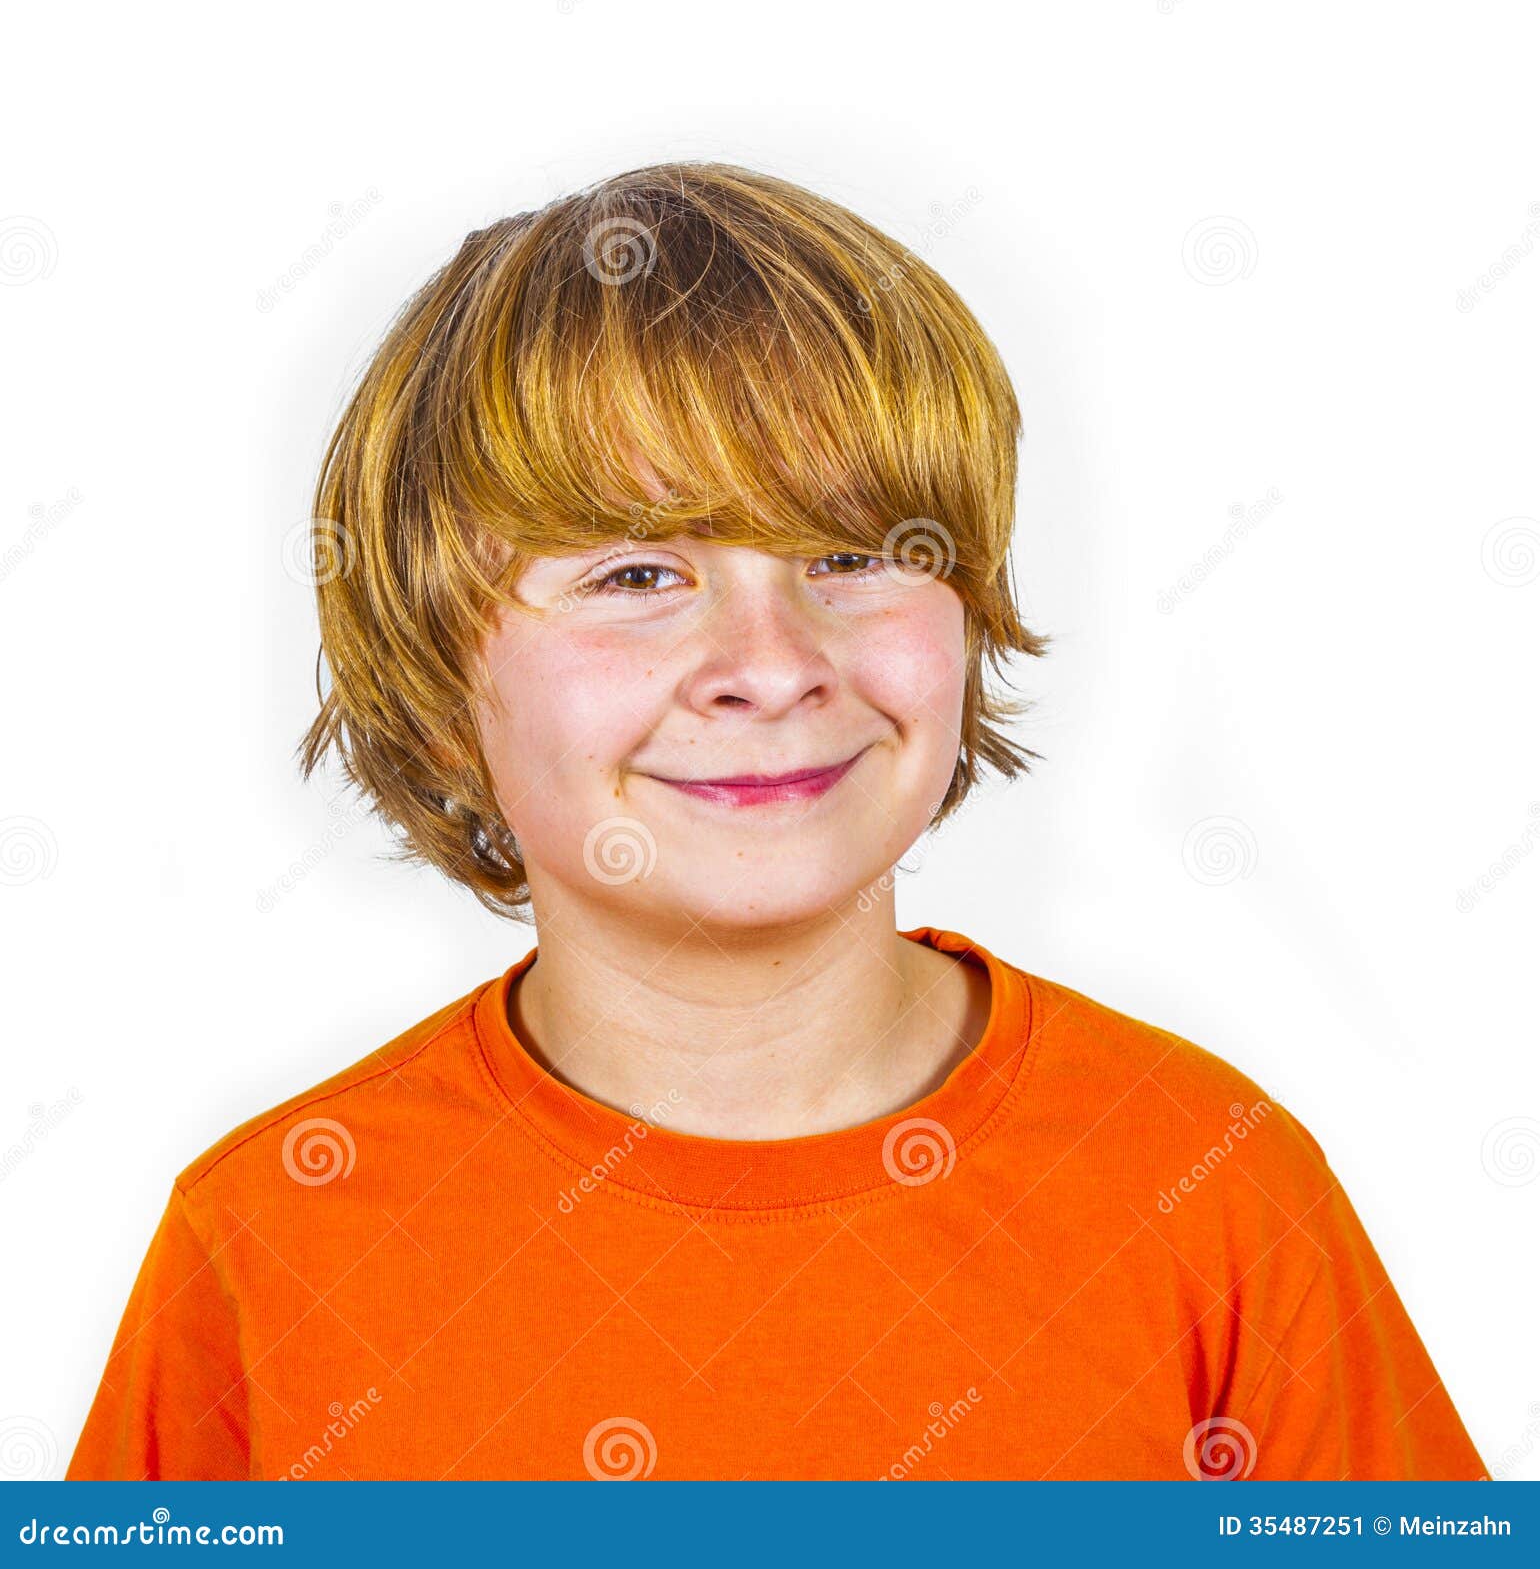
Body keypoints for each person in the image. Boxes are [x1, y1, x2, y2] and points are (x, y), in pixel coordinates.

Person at [67, 163, 1487, 1481]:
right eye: (634, 573)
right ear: (444, 688)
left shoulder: (1215, 1187)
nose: (773, 658)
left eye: (854, 552)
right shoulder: (269, 1239)